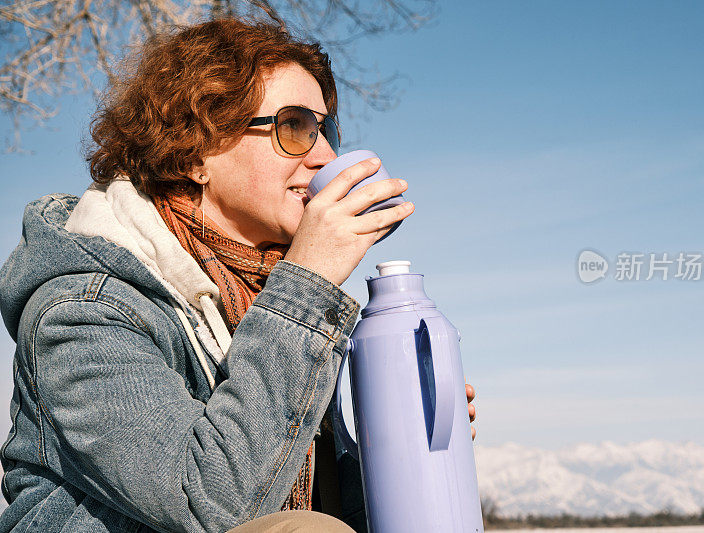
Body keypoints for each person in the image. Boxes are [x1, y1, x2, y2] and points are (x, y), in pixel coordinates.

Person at [0, 14, 477, 533]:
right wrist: (310, 279)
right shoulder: (82, 311)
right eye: (293, 126)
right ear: (195, 150)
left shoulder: (282, 305)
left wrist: (394, 439)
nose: (325, 155)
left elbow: (330, 504)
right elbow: (210, 502)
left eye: (325, 129)